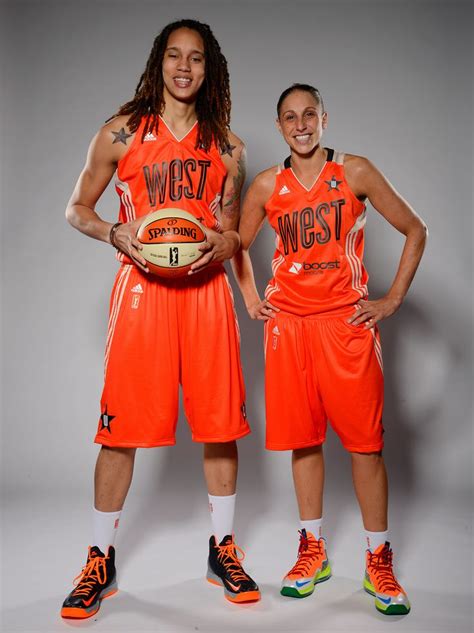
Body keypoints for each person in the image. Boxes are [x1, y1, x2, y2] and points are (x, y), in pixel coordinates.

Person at [61, 19, 260, 619]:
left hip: (206, 293)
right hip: (141, 292)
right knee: (119, 430)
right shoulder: (120, 133)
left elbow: (233, 234)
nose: (184, 67)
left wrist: (227, 243)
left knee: (220, 426)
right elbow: (76, 208)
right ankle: (99, 559)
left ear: (209, 69)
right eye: (174, 55)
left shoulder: (229, 149)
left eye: (196, 58)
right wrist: (113, 231)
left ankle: (222, 548)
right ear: (159, 63)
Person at [234, 83, 427, 615]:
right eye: (289, 117)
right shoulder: (267, 184)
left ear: (324, 119)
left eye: (309, 115)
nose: (300, 125)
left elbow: (415, 229)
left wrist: (391, 299)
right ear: (279, 126)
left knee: (365, 447)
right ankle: (312, 549)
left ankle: (378, 558)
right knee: (304, 442)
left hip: (345, 324)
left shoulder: (355, 171)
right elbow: (237, 246)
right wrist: (251, 298)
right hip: (289, 327)